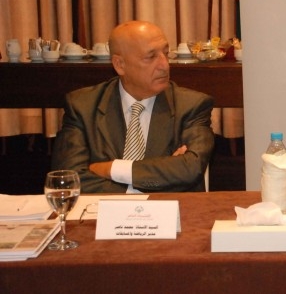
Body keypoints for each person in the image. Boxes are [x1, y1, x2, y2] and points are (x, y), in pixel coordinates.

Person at [51, 20, 214, 193]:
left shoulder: (192, 105)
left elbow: (190, 169)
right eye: (150, 57)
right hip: (105, 211)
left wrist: (112, 169)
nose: (164, 65)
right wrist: (143, 188)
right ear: (120, 65)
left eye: (166, 54)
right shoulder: (83, 106)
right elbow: (68, 180)